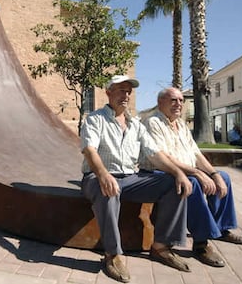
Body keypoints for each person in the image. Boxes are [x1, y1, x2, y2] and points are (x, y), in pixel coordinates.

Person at [80, 76, 193, 283]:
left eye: (128, 92)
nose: (126, 95)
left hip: (131, 178)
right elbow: (89, 150)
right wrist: (104, 174)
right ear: (108, 92)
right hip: (97, 177)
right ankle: (113, 255)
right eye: (121, 90)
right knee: (108, 189)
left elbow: (155, 155)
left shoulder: (136, 125)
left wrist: (178, 172)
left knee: (171, 183)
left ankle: (161, 246)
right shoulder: (95, 119)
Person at [140, 87, 242, 269]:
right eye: (173, 100)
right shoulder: (153, 123)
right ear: (160, 103)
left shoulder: (181, 125)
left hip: (187, 169)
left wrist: (213, 174)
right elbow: (164, 158)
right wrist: (196, 173)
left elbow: (196, 154)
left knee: (224, 177)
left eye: (181, 100)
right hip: (162, 172)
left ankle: (221, 229)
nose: (179, 104)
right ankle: (201, 242)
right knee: (194, 183)